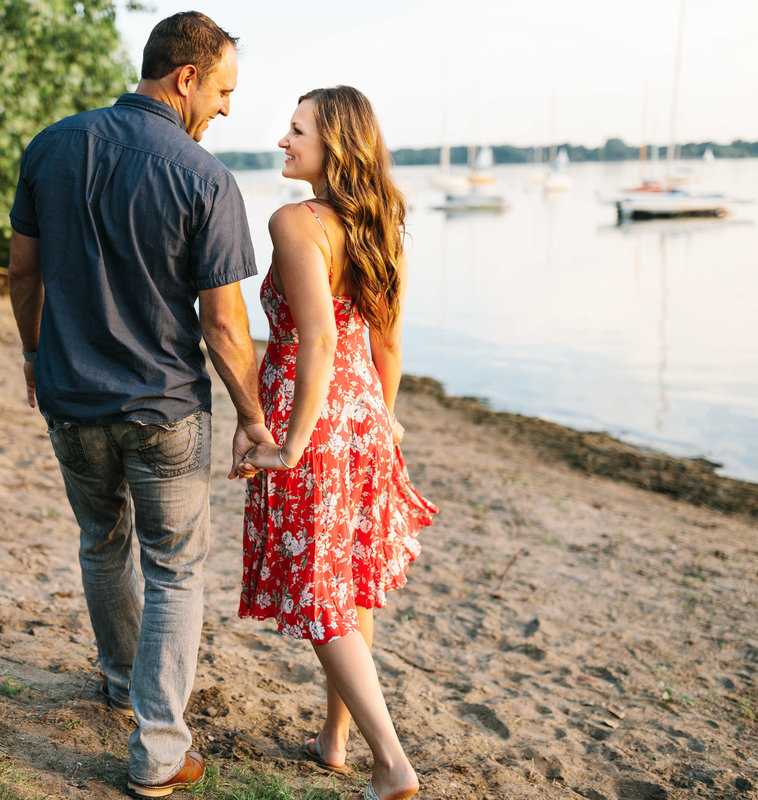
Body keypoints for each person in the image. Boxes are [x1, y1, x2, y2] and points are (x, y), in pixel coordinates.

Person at [7, 12, 272, 798]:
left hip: (70, 399)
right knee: (176, 570)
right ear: (185, 77)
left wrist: (33, 353)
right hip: (165, 413)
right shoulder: (204, 178)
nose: (226, 108)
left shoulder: (51, 146)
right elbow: (225, 326)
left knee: (102, 542)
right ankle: (158, 748)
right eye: (223, 90)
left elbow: (23, 273)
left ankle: (123, 683)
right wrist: (255, 418)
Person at [236, 86, 438, 800]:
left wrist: (289, 444)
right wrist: (380, 426)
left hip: (313, 418)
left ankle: (391, 761)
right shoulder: (382, 225)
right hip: (364, 419)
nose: (283, 141)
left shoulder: (296, 223)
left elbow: (315, 339)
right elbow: (387, 345)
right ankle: (336, 740)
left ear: (334, 144)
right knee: (348, 584)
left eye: (296, 131)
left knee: (323, 593)